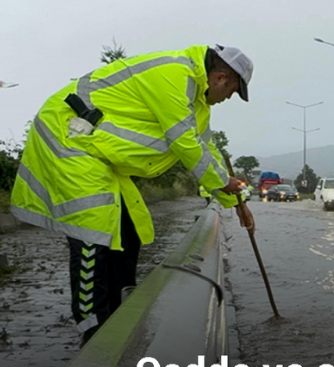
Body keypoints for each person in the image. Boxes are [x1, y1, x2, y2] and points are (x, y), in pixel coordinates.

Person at [10, 44, 256, 344]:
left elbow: (208, 150)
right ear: (219, 78)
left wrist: (236, 202)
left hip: (99, 156)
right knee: (94, 232)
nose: (226, 99)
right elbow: (185, 143)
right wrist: (223, 184)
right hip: (70, 141)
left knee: (128, 231)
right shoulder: (174, 73)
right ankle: (94, 329)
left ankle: (120, 314)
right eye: (230, 92)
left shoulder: (197, 103)